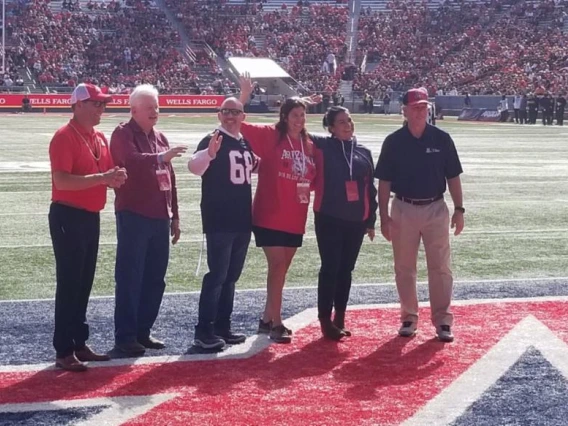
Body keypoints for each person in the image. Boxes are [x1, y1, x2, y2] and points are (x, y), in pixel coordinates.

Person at [375, 87, 464, 343]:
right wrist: (383, 216)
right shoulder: (393, 141)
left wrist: (459, 209)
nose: (420, 111)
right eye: (415, 107)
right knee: (404, 267)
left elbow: (453, 176)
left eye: (424, 106)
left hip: (436, 207)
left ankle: (443, 320)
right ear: (404, 110)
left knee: (441, 267)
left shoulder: (442, 138)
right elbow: (384, 182)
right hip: (403, 207)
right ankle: (409, 316)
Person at [49, 83, 127, 372]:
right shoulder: (64, 137)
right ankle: (64, 349)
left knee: (83, 283)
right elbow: (62, 181)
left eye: (103, 104)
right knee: (69, 283)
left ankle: (79, 342)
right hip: (67, 215)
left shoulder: (99, 137)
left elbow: (103, 174)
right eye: (96, 104)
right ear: (78, 104)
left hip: (90, 215)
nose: (101, 109)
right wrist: (103, 177)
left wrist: (115, 177)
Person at [110, 84, 187, 356]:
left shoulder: (160, 137)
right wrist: (160, 157)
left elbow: (170, 180)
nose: (156, 111)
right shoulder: (122, 133)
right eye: (150, 107)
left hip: (159, 218)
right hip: (134, 214)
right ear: (134, 110)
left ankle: (143, 330)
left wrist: (175, 215)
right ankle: (126, 336)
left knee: (155, 278)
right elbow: (129, 161)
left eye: (157, 106)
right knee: (130, 277)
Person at [239, 77, 317, 344]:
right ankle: (277, 322)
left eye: (302, 116)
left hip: (295, 217)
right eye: (295, 115)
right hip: (270, 214)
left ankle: (265, 318)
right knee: (277, 266)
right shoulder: (270, 136)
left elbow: (312, 178)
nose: (299, 120)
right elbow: (236, 122)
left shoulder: (309, 145)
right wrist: (243, 95)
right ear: (284, 117)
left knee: (282, 271)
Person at [187, 98, 254, 351]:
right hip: (219, 218)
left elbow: (251, 167)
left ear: (242, 116)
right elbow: (194, 167)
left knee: (231, 276)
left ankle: (222, 326)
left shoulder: (242, 141)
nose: (230, 116)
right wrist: (209, 154)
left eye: (235, 112)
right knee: (217, 275)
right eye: (226, 112)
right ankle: (204, 330)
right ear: (219, 114)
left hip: (242, 218)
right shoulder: (211, 139)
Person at [309, 106, 377, 340]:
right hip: (329, 217)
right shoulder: (322, 146)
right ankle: (325, 319)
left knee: (346, 270)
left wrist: (371, 219)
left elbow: (371, 189)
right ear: (331, 128)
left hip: (356, 220)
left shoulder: (364, 151)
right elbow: (295, 130)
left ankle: (340, 316)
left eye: (349, 120)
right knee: (330, 268)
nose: (347, 124)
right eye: (341, 122)